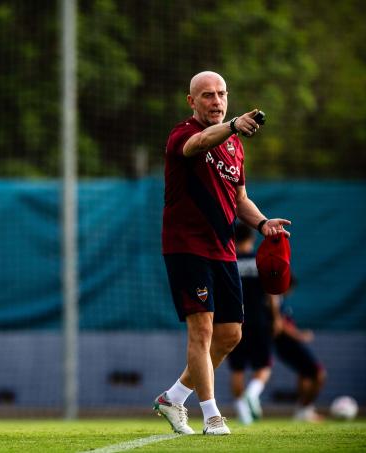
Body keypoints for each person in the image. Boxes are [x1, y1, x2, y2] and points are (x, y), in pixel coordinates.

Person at [153, 71, 291, 435]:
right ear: (192, 101)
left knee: (230, 335)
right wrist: (232, 125)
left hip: (223, 249)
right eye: (208, 95)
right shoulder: (182, 134)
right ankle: (212, 415)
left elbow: (240, 199)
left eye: (222, 94)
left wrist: (263, 225)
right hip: (187, 247)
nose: (216, 101)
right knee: (202, 331)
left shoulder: (235, 147)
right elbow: (199, 143)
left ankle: (174, 396)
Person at [227, 223, 280, 425]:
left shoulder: (229, 260)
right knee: (264, 364)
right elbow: (271, 293)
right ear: (252, 238)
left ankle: (242, 410)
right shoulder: (261, 260)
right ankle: (253, 392)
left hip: (234, 320)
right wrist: (276, 318)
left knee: (237, 368)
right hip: (259, 319)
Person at [273, 280, 326, 422]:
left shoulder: (279, 300)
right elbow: (281, 325)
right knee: (319, 374)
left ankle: (302, 410)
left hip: (283, 346)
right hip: (288, 344)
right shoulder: (276, 299)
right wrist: (300, 335)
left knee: (304, 373)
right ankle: (304, 408)